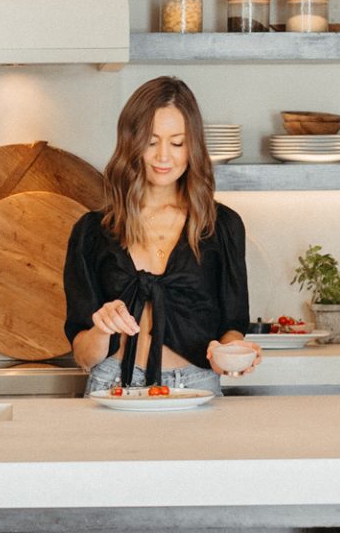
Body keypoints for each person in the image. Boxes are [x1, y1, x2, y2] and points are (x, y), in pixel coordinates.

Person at [63, 75, 260, 395]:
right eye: (151, 141)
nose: (163, 156)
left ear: (192, 146)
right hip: (111, 387)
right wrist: (101, 329)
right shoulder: (91, 232)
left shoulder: (221, 226)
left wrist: (232, 354)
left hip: (196, 387)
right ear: (131, 143)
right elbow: (83, 357)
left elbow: (231, 328)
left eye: (177, 142)